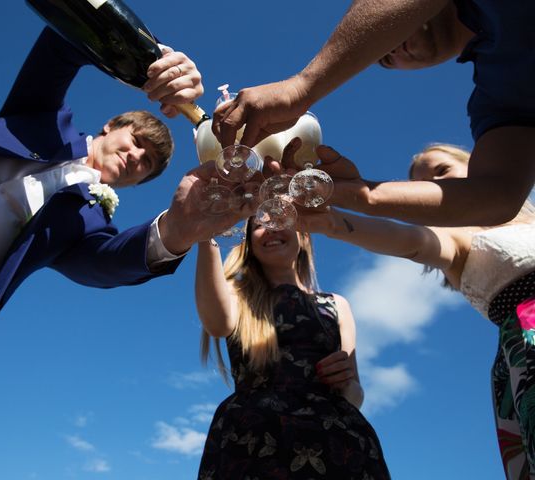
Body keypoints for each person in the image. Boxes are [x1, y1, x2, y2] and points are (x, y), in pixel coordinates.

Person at [0, 26, 247, 438]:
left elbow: (112, 259)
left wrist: (178, 230)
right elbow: (63, 41)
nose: (136, 157)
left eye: (147, 164)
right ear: (109, 125)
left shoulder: (89, 224)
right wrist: (148, 59)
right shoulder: (40, 118)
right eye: (135, 142)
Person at [296, 144, 535, 479]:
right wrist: (333, 222)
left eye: (442, 172)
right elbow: (411, 241)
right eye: (423, 184)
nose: (436, 186)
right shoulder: (453, 241)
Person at [211, 0, 535, 227]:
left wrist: (303, 86)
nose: (389, 50)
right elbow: (498, 194)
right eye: (383, 58)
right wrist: (362, 195)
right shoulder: (500, 96)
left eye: (385, 37)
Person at [194, 219, 390, 479]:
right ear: (251, 243)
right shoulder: (235, 293)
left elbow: (355, 394)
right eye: (260, 225)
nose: (272, 228)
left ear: (304, 236)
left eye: (281, 219)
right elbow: (217, 324)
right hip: (254, 440)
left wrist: (344, 383)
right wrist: (207, 232)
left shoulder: (337, 305)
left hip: (335, 442)